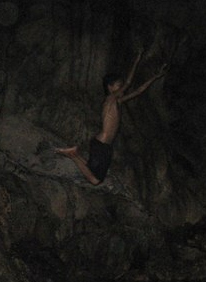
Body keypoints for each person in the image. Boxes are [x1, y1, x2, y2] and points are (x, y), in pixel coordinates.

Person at [56, 51, 168, 185]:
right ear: (110, 87)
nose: (121, 88)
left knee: (93, 172)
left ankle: (73, 153)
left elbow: (138, 91)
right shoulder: (110, 99)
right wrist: (136, 61)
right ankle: (73, 154)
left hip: (105, 145)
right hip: (101, 144)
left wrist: (155, 77)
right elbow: (128, 82)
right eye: (118, 85)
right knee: (95, 180)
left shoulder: (117, 102)